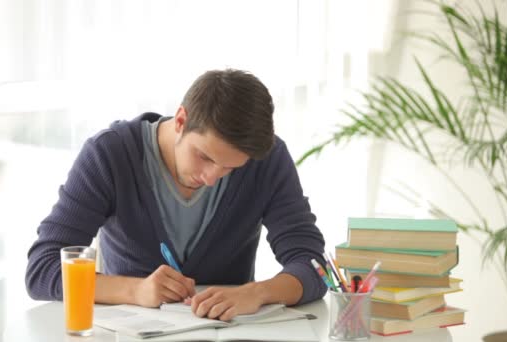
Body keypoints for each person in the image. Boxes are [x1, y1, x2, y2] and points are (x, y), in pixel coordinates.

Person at [26, 68, 327, 321]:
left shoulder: (268, 161)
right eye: (205, 157)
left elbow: (313, 265)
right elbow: (43, 268)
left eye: (230, 169)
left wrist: (258, 292)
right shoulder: (110, 155)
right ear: (181, 120)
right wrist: (136, 290)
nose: (211, 178)